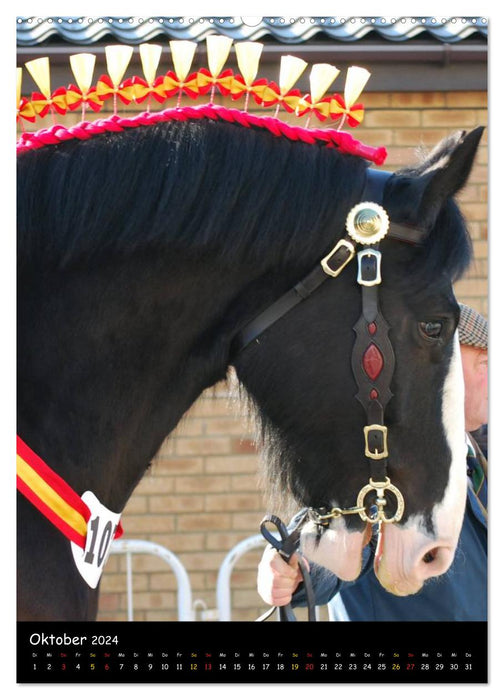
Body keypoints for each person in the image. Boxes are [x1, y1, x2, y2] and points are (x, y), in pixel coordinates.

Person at [257, 303, 488, 621]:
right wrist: (294, 569)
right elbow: (333, 535)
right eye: (483, 363)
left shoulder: (479, 454)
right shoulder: (378, 466)